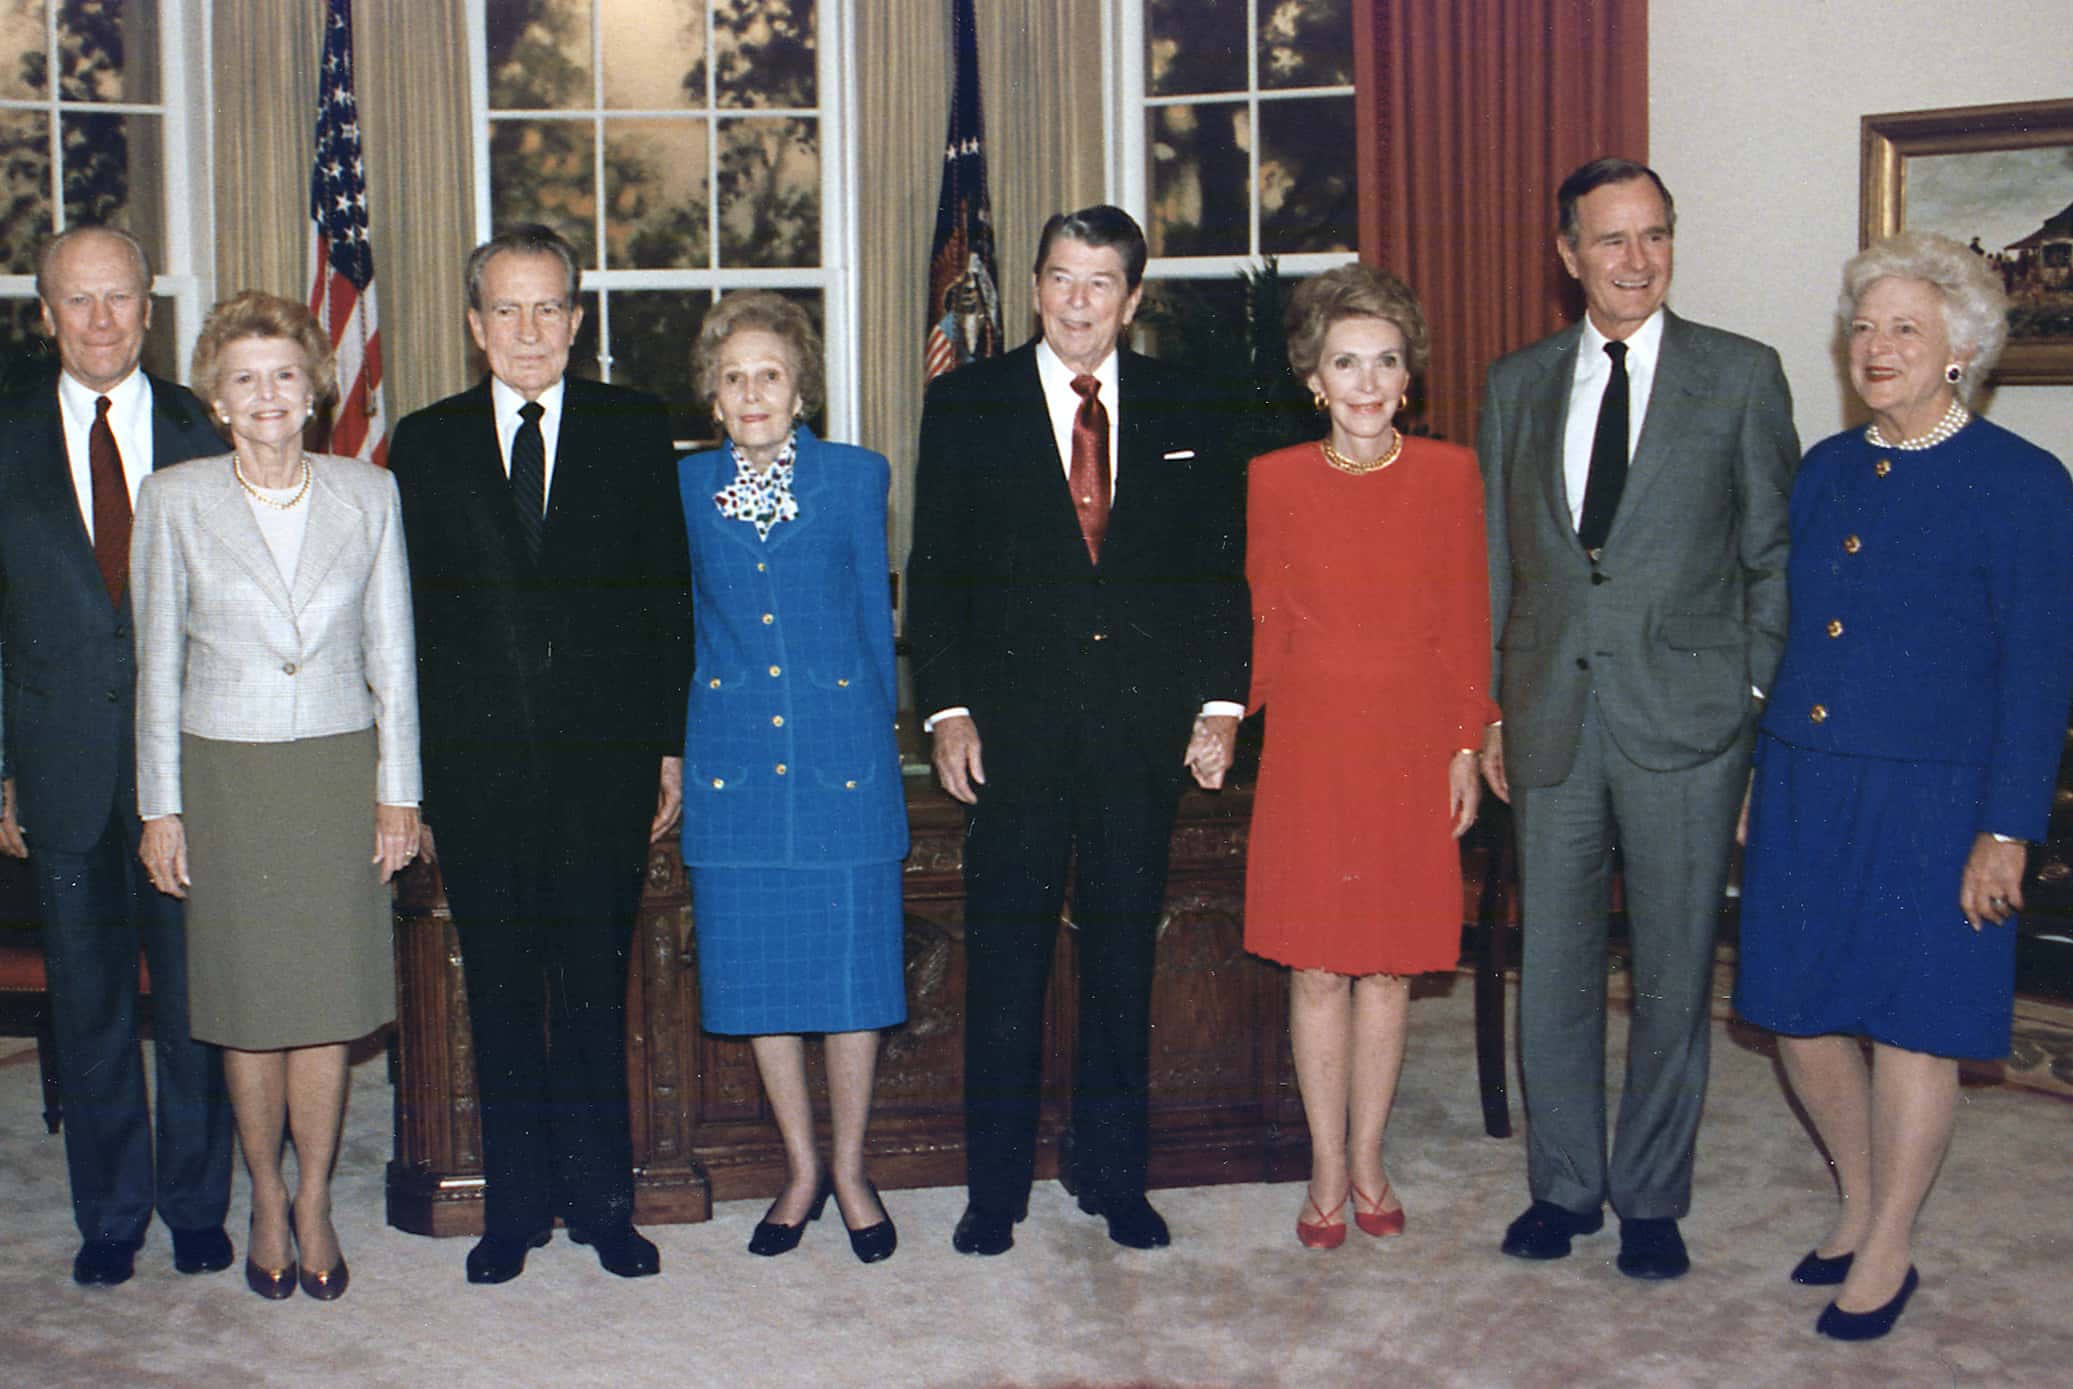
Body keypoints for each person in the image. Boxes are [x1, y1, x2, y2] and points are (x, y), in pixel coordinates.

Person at [1735, 233, 2073, 1341]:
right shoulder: (1829, 466)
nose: (1875, 349)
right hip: (1805, 777)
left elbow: (2038, 673)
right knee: (1797, 1009)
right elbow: (1791, 637)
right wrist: (1756, 772)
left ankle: (1889, 1246)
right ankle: (1859, 1195)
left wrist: (2008, 829)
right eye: (1864, 326)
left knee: (1917, 1024)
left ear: (1962, 349)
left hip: (1937, 800)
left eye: (1905, 329)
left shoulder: (2024, 486)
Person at [1477, 158, 1798, 1279]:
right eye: (1610, 241)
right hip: (1553, 714)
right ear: (1567, 256)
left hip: (1690, 721)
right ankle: (1564, 1189)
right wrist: (1493, 714)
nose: (1636, 260)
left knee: (1670, 966)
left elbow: (1773, 559)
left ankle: (1653, 1195)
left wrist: (1750, 698)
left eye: (1654, 235)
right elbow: (1501, 568)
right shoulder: (1515, 385)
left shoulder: (1741, 376)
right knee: (1552, 966)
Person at [907, 204, 1248, 1256]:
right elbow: (938, 571)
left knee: (1121, 964)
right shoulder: (969, 402)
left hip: (1138, 736)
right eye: (1060, 277)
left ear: (1133, 298)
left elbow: (1218, 571)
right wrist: (950, 708)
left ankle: (1116, 1177)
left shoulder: (1191, 400)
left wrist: (1220, 705)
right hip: (1013, 737)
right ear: (1039, 286)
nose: (1077, 301)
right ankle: (994, 1191)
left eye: (1101, 282)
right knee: (1004, 966)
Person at [389, 224, 691, 1285]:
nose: (529, 330)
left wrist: (667, 746)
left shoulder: (635, 426)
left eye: (548, 307)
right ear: (475, 326)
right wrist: (409, 778)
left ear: (576, 319)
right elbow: (405, 626)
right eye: (506, 310)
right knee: (504, 991)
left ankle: (605, 1205)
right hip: (478, 776)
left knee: (596, 991)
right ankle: (514, 1212)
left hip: (605, 768)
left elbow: (666, 600)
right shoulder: (422, 444)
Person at [131, 292, 420, 1301]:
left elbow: (395, 659)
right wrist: (159, 809)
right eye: (246, 376)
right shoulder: (173, 498)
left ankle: (314, 1204)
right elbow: (155, 665)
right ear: (217, 397)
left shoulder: (367, 495)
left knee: (328, 1008)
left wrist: (400, 796)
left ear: (316, 388)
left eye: (285, 374)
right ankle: (262, 1192)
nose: (268, 394)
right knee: (250, 1008)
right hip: (226, 774)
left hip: (340, 770)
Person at [0, 226, 234, 1287]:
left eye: (121, 298)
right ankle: (110, 1217)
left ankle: (195, 1204)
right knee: (88, 1003)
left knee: (195, 1004)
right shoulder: (3, 436)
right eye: (77, 302)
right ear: (45, 314)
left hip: (189, 769)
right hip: (58, 768)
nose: (101, 321)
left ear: (152, 306)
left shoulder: (206, 429)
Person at [1243, 265, 1494, 1248]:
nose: (1365, 381)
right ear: (1316, 377)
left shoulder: (1448, 475)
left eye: (1385, 362)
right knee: (1315, 968)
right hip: (1309, 746)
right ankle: (1322, 1163)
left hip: (1408, 748)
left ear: (1408, 378)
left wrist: (1466, 743)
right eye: (1346, 362)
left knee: (1387, 969)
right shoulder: (1273, 479)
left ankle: (1371, 1154)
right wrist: (1223, 716)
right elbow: (1261, 618)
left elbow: (1466, 624)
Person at [677, 292, 908, 1263]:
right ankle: (801, 1170)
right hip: (734, 771)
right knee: (764, 984)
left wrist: (871, 746)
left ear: (801, 384)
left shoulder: (856, 479)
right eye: (733, 377)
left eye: (769, 372)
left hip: (840, 767)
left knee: (851, 985)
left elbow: (875, 631)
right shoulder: (682, 492)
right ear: (713, 398)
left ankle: (851, 1171)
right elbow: (681, 625)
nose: (752, 391)